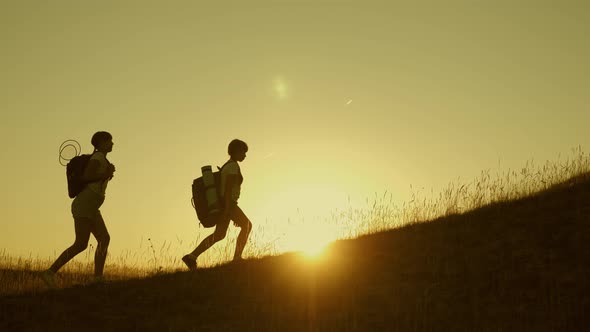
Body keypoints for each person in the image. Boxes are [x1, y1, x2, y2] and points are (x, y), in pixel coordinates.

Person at [40, 131, 116, 288]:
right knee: (81, 243)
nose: (112, 143)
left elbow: (95, 178)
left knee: (104, 239)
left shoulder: (101, 159)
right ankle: (49, 272)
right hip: (84, 205)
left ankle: (98, 278)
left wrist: (107, 174)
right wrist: (105, 174)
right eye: (109, 141)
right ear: (101, 143)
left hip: (91, 206)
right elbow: (86, 177)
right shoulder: (97, 158)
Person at [182, 139, 253, 270]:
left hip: (224, 204)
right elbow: (227, 189)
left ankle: (191, 256)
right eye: (243, 152)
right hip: (229, 204)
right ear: (236, 151)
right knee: (247, 225)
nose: (245, 155)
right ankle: (237, 258)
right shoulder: (233, 166)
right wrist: (228, 210)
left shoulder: (227, 165)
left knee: (219, 234)